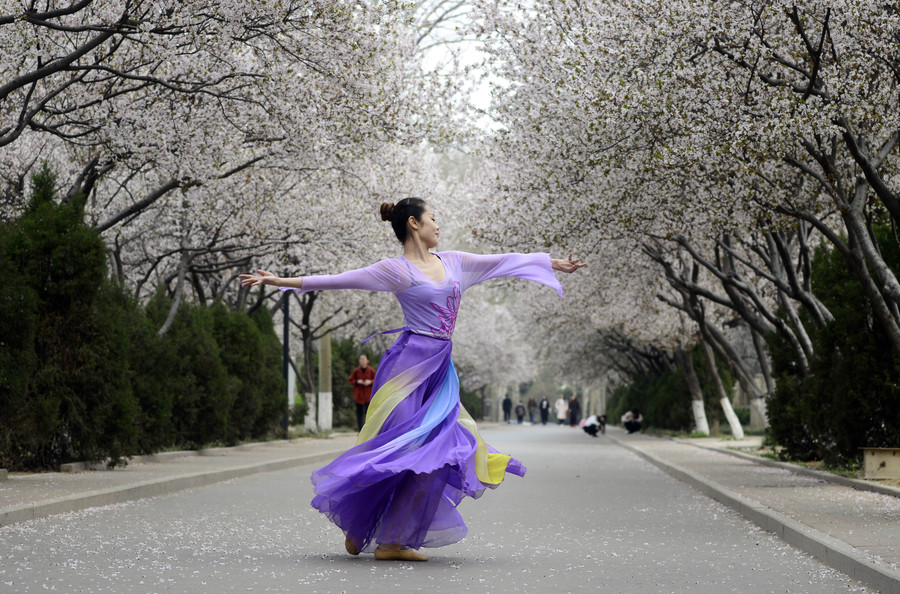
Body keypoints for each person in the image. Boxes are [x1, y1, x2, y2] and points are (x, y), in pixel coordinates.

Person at [240, 197, 584, 562]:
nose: (439, 224)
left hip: (440, 371)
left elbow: (503, 262)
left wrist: (550, 262)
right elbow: (341, 281)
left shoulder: (455, 262)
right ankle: (361, 526)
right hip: (406, 369)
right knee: (400, 448)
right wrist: (281, 281)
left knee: (436, 454)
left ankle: (391, 542)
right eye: (433, 218)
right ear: (414, 224)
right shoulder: (396, 270)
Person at [349, 354, 376, 431]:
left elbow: (377, 380)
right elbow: (351, 380)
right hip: (359, 396)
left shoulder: (371, 371)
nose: (362, 361)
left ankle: (368, 431)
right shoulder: (356, 371)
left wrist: (370, 382)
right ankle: (360, 430)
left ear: (368, 361)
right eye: (360, 359)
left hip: (368, 396)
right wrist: (357, 381)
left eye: (363, 359)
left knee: (368, 414)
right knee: (359, 414)